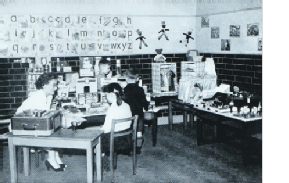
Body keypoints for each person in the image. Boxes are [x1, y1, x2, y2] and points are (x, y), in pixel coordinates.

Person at [14, 72, 66, 172]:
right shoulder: (38, 97)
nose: (56, 88)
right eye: (54, 85)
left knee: (55, 128)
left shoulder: (48, 96)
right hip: (21, 126)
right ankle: (51, 159)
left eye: (56, 85)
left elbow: (44, 115)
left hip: (33, 123)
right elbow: (40, 118)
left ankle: (55, 157)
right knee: (50, 131)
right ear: (44, 85)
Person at [86, 82, 132, 171]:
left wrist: (97, 129)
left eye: (106, 96)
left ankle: (102, 162)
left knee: (94, 137)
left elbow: (106, 129)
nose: (105, 98)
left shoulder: (112, 109)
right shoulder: (126, 105)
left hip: (114, 141)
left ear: (111, 95)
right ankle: (108, 162)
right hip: (126, 138)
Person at [123, 68, 149, 149]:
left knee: (130, 130)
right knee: (139, 131)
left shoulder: (126, 89)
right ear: (137, 79)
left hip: (129, 114)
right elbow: (144, 101)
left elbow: (125, 101)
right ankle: (138, 146)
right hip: (139, 114)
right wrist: (146, 107)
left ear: (126, 78)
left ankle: (130, 147)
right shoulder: (140, 89)